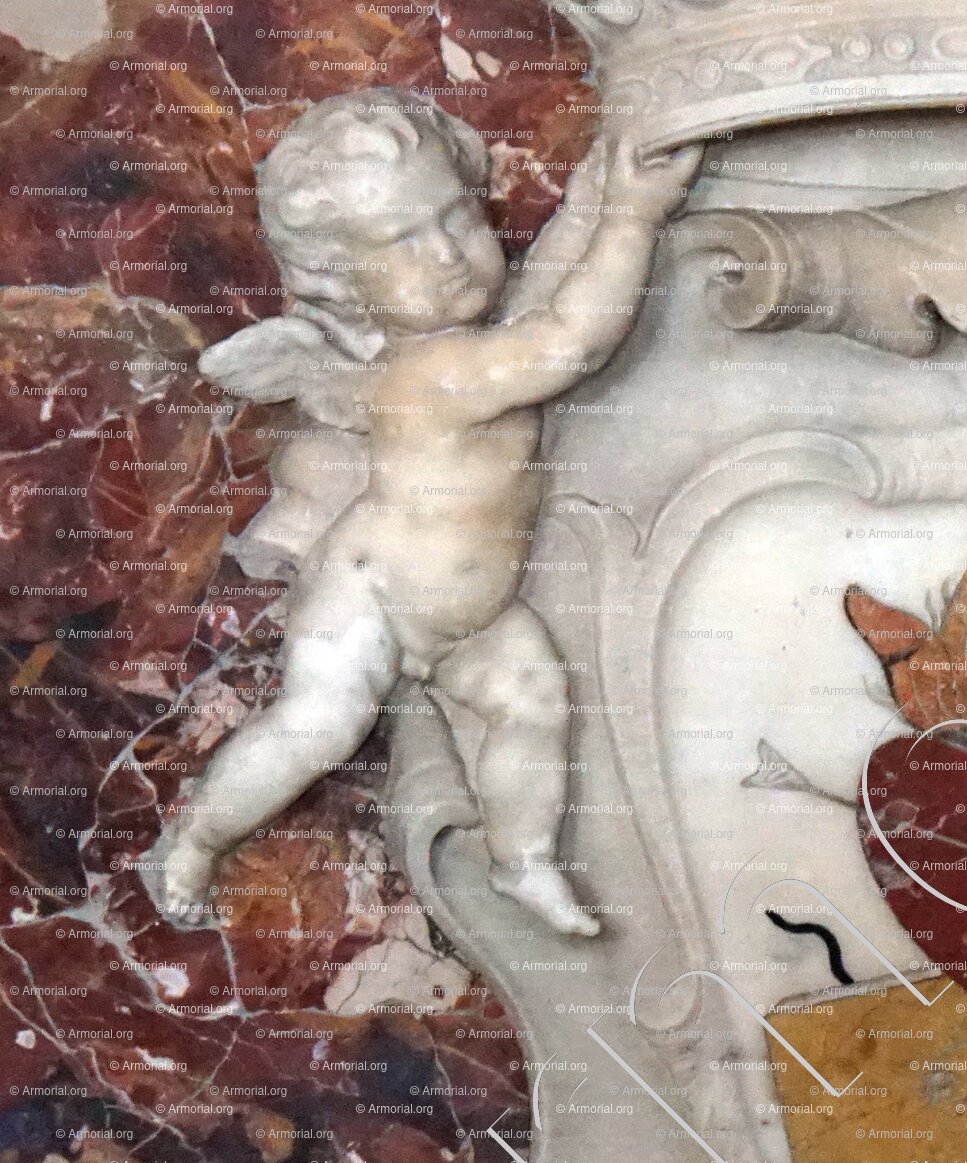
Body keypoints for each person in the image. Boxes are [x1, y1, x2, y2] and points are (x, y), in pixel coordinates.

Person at [146, 88, 702, 936]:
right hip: (373, 595)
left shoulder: (470, 344)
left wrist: (603, 177)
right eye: (403, 240)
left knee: (535, 702)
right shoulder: (436, 373)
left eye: (458, 217)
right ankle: (196, 841)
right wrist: (631, 216)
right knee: (316, 729)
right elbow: (571, 340)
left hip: (471, 613)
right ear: (346, 285)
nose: (448, 255)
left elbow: (551, 288)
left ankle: (522, 861)